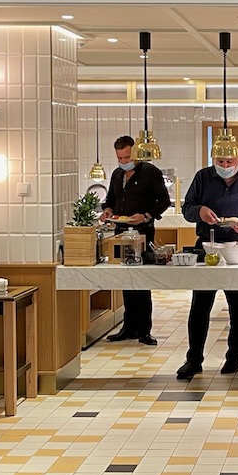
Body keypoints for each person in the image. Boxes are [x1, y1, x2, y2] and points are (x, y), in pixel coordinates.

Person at [177, 149, 238, 381]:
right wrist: (199, 211)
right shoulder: (202, 178)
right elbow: (186, 209)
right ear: (213, 160)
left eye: (230, 161)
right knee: (200, 305)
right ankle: (194, 359)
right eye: (220, 161)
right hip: (208, 244)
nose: (225, 165)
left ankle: (234, 357)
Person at [100, 135, 171, 345]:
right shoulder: (116, 175)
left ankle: (144, 330)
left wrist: (147, 215)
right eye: (120, 158)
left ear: (136, 154)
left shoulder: (151, 172)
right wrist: (107, 210)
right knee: (125, 280)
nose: (123, 162)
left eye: (127, 157)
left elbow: (164, 201)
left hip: (142, 232)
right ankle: (128, 327)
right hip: (120, 233)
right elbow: (110, 199)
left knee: (141, 280)